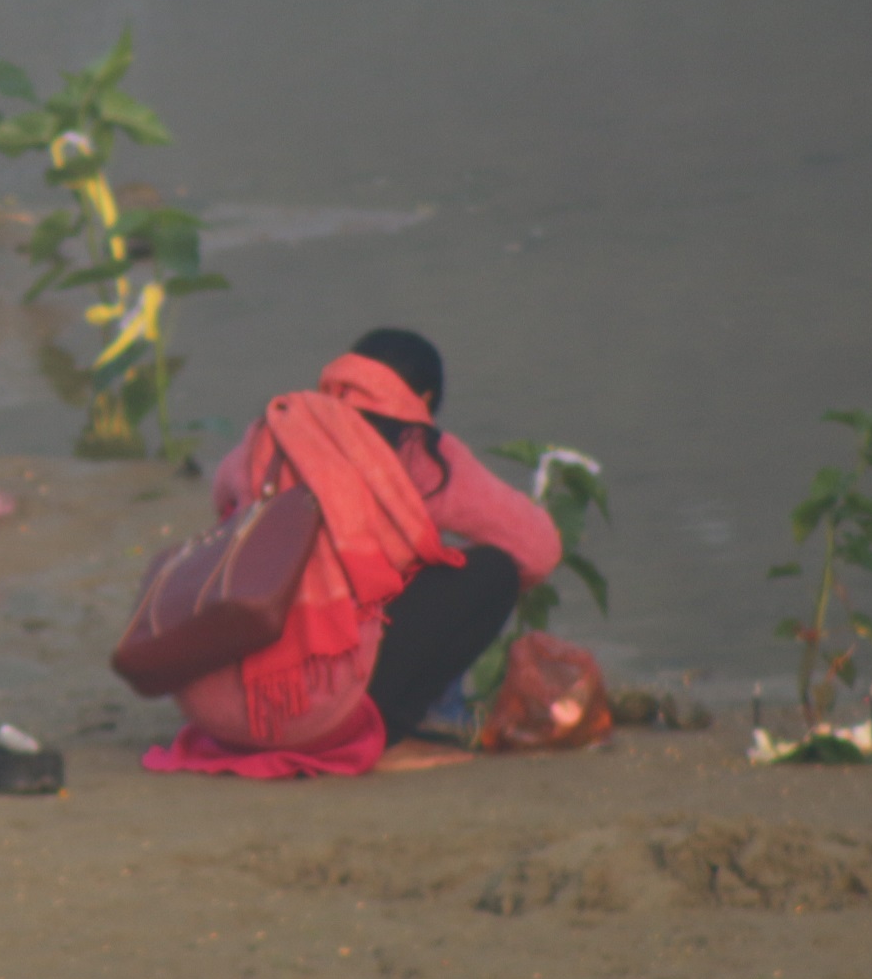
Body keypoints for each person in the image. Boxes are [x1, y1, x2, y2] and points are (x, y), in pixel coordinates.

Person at [145, 328, 560, 778]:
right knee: (491, 571)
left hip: (217, 711)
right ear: (422, 398)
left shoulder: (275, 427)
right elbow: (538, 550)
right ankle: (390, 737)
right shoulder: (417, 450)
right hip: (313, 714)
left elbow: (224, 497)